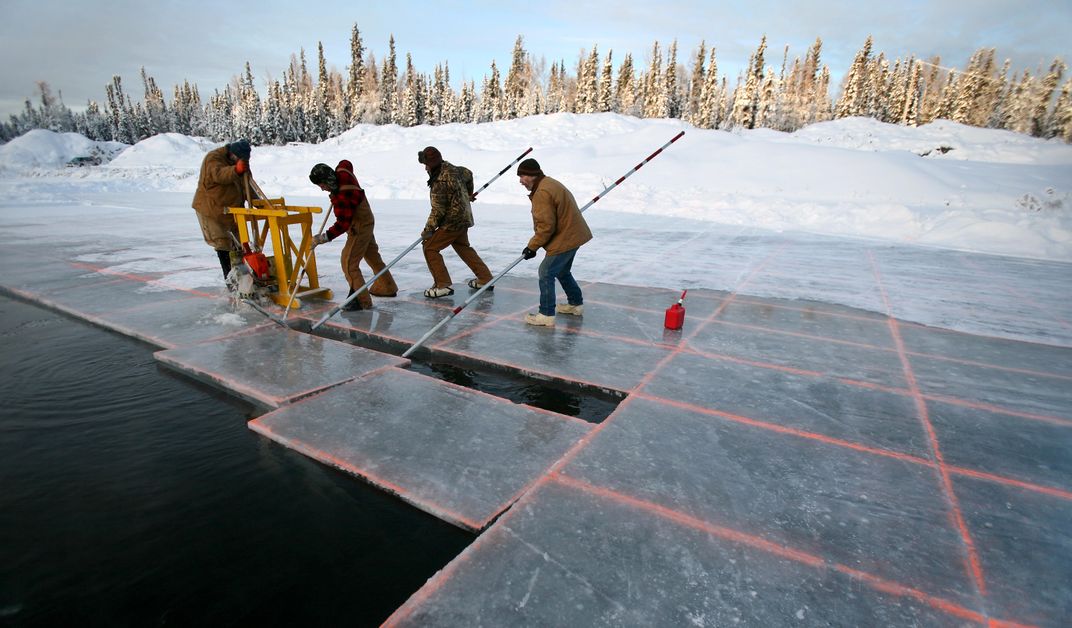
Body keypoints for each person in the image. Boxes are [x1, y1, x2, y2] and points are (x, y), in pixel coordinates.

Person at [308, 160, 398, 311]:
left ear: (328, 180)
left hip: (359, 227)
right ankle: (387, 287)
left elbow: (343, 224)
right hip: (367, 220)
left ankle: (361, 300)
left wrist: (323, 237)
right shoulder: (343, 172)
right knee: (372, 256)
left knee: (348, 262)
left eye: (322, 185)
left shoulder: (343, 196)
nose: (322, 189)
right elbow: (345, 163)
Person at [517, 158, 592, 327]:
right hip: (574, 234)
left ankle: (546, 314)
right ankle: (575, 304)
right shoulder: (548, 183)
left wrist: (532, 247)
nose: (521, 181)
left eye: (523, 176)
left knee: (546, 272)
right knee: (563, 270)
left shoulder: (542, 192)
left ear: (533, 175)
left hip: (566, 236)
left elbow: (546, 226)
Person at [417, 146, 494, 298]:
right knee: (463, 247)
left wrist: (428, 230)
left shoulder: (440, 181)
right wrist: (467, 194)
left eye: (426, 164)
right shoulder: (455, 169)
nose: (425, 168)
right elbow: (468, 174)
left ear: (431, 164)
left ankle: (442, 285)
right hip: (464, 217)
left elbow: (438, 210)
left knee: (430, 247)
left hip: (452, 222)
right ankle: (485, 279)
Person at [191, 139, 251, 278]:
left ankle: (245, 278)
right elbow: (218, 174)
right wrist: (236, 170)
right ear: (232, 154)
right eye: (238, 160)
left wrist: (257, 202)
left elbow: (247, 184)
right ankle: (230, 278)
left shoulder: (240, 163)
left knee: (240, 245)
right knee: (223, 244)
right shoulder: (213, 158)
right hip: (211, 209)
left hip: (231, 211)